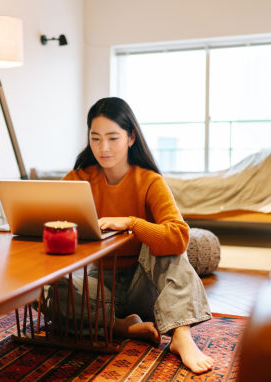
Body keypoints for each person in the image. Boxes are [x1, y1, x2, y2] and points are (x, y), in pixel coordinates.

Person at [56, 97, 214, 373]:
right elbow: (51, 216)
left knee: (164, 247)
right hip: (100, 286)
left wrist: (132, 223)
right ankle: (120, 325)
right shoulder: (79, 178)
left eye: (112, 138)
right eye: (95, 138)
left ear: (130, 138)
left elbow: (179, 236)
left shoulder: (149, 180)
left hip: (145, 287)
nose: (103, 148)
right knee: (45, 291)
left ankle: (181, 336)